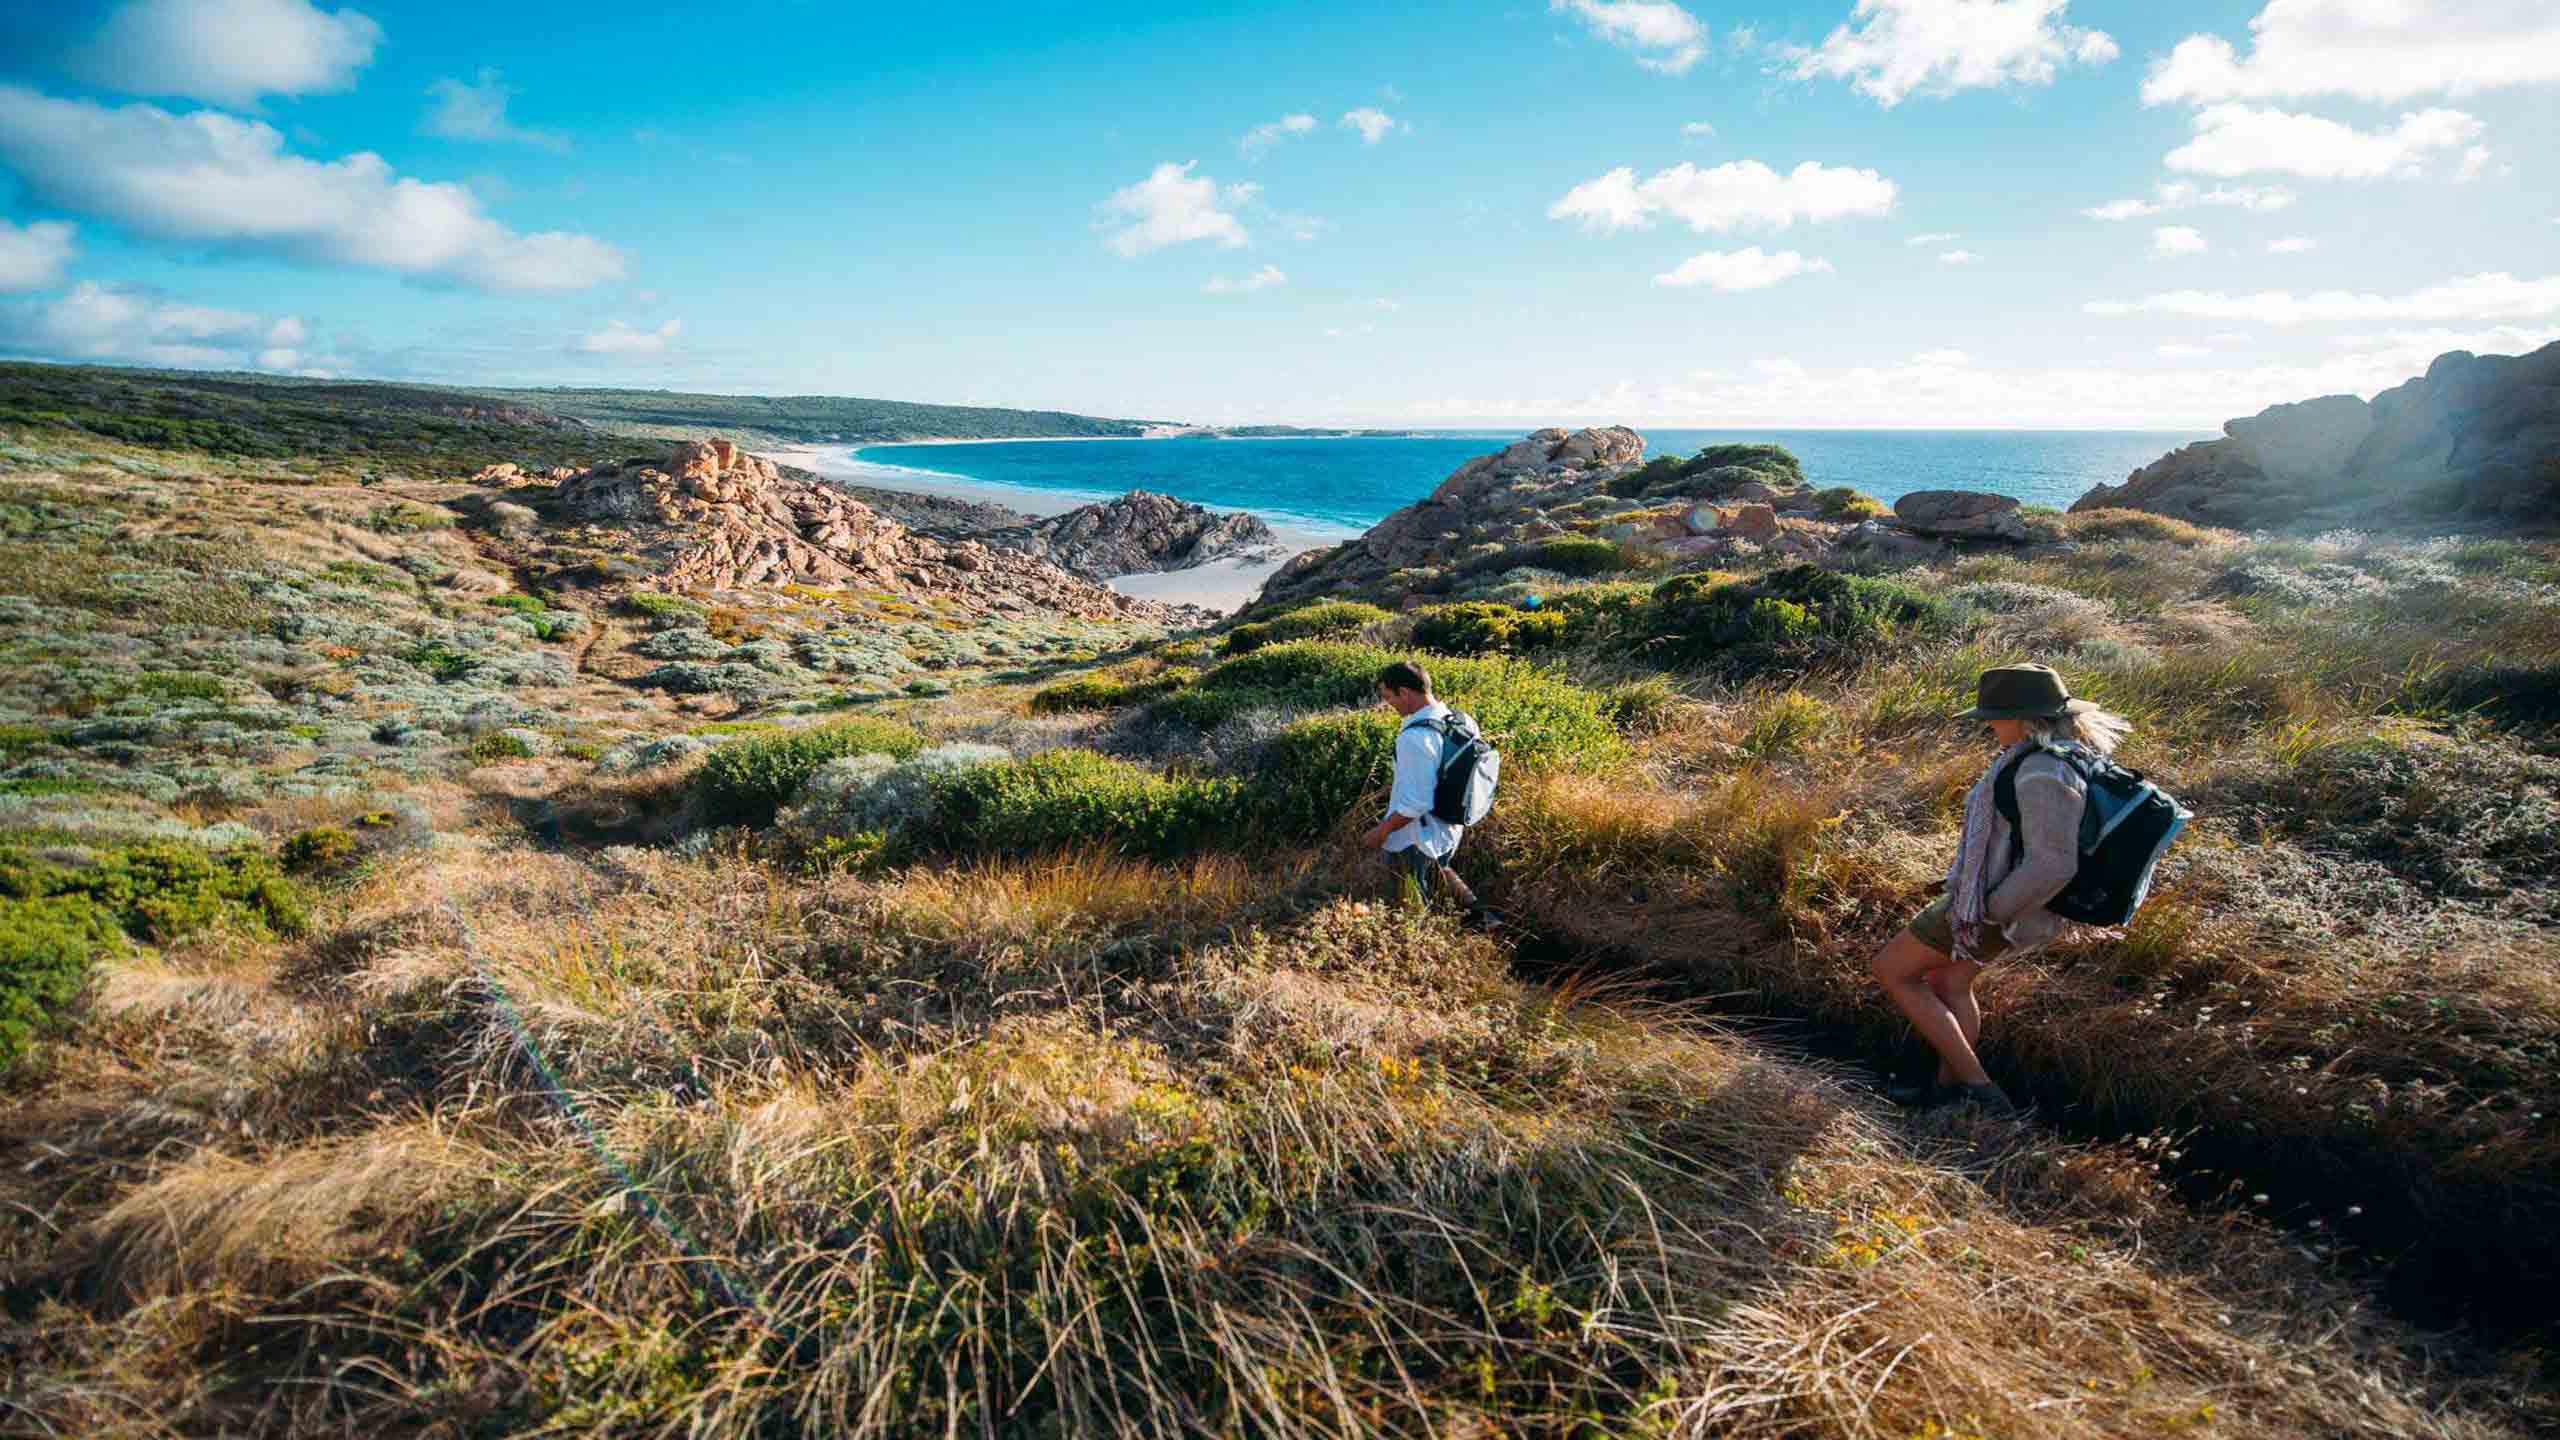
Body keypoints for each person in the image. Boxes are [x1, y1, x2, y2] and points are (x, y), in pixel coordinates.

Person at [1872, 663, 2134, 1115]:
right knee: (1951, 984)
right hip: (1995, 903)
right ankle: (1940, 1090)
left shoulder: (2041, 771)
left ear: (2023, 717)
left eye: (1993, 716)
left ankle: (1979, 1088)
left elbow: (2052, 862)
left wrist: (1989, 911)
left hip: (1991, 908)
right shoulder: (2051, 757)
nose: (1988, 724)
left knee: (1892, 970)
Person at [1359, 659, 1491, 924]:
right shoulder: (1462, 720)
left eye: (1388, 697)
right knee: (1441, 870)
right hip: (1451, 826)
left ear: (1404, 693)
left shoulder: (1414, 738)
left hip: (1416, 837)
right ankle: (1485, 920)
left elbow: (1416, 804)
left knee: (1412, 907)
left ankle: (1438, 939)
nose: (1388, 704)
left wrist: (1381, 831)